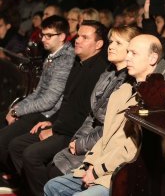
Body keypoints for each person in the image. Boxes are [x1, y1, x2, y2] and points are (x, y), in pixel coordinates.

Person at [44, 34, 165, 196]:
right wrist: (91, 163)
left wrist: (97, 170)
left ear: (153, 58)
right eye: (128, 52)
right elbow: (108, 133)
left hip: (131, 175)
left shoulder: (163, 94)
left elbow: (135, 149)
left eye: (134, 53)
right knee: (53, 186)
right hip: (108, 166)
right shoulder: (128, 88)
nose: (127, 58)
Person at [6, 21, 108, 195]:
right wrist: (49, 122)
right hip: (61, 126)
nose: (77, 40)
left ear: (98, 44)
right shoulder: (78, 63)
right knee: (16, 145)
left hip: (75, 133)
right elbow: (66, 103)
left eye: (85, 37)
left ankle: (46, 191)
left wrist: (54, 129)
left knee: (31, 155)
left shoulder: (99, 70)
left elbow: (85, 115)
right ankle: (32, 189)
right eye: (78, 35)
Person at [49, 25, 141, 178]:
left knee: (53, 170)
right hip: (88, 137)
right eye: (111, 42)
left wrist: (80, 144)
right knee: (52, 166)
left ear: (132, 49)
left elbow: (111, 128)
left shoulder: (130, 83)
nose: (110, 46)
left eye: (118, 43)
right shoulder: (109, 73)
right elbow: (92, 115)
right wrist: (77, 141)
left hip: (106, 147)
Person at [0, 16, 75, 189]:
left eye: (49, 36)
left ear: (62, 36)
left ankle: (23, 183)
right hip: (40, 108)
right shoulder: (52, 55)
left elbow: (49, 100)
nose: (43, 39)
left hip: (48, 113)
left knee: (4, 141)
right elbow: (38, 91)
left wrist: (20, 111)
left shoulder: (65, 59)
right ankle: (16, 177)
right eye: (43, 35)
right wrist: (16, 108)